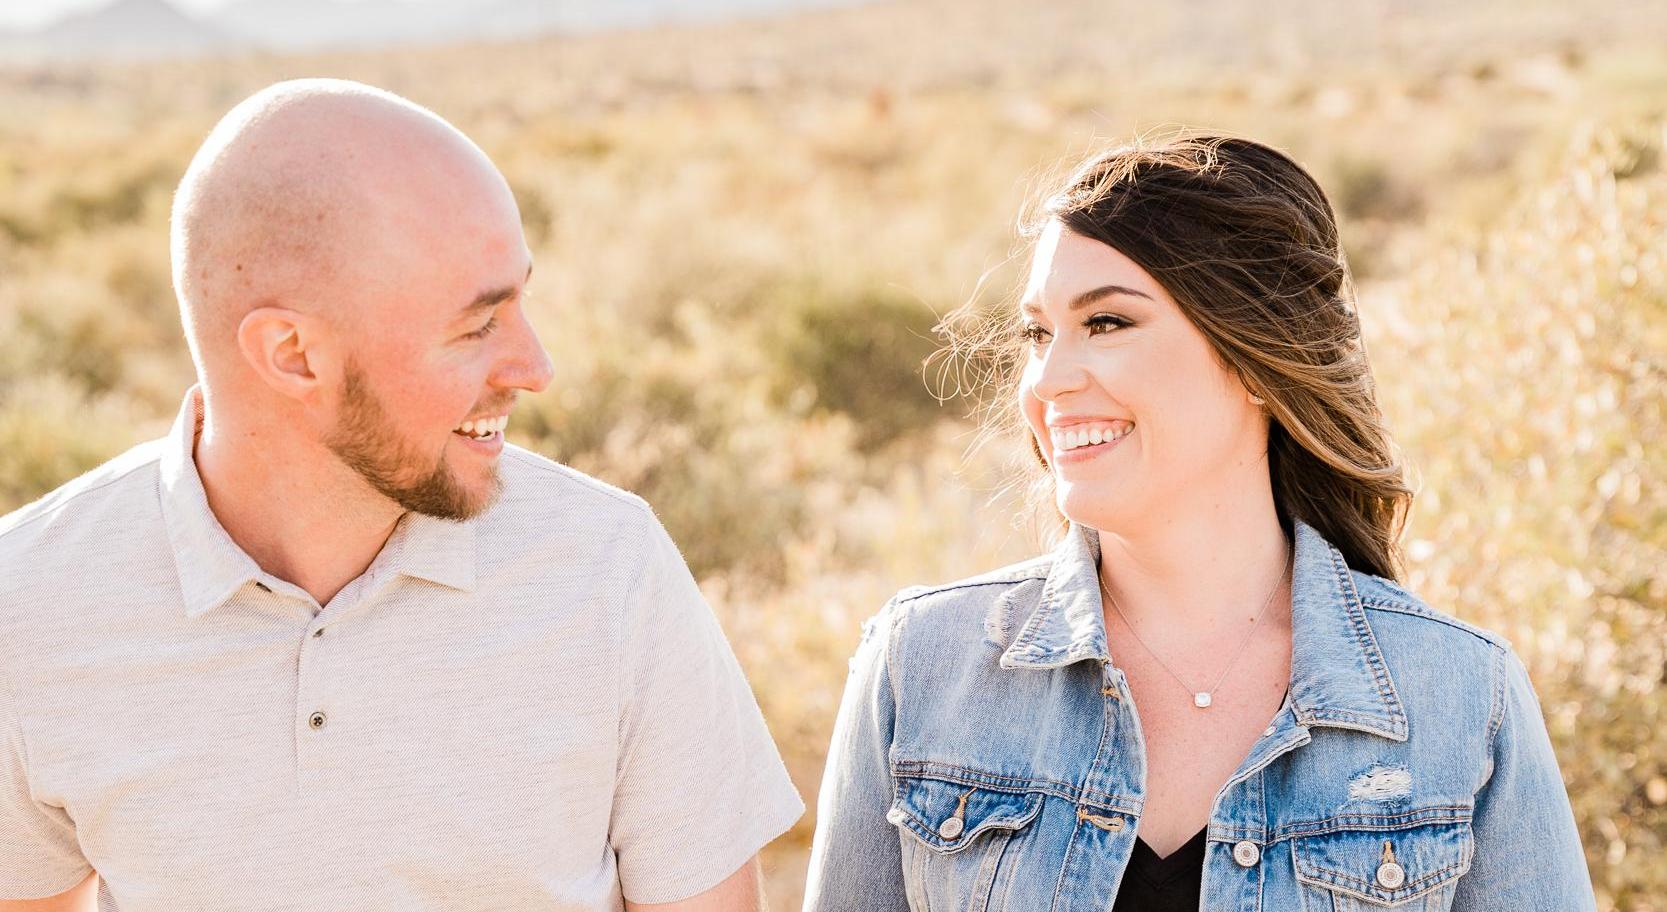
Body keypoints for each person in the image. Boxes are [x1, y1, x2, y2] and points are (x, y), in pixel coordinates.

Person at [0, 79, 801, 912]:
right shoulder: (26, 608)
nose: (535, 367)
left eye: (519, 303)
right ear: (292, 354)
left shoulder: (610, 567)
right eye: (477, 326)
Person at [801, 136, 1595, 911]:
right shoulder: (922, 665)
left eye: (1105, 323)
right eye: (1038, 333)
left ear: (1254, 357)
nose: (1046, 380)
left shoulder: (1459, 694)